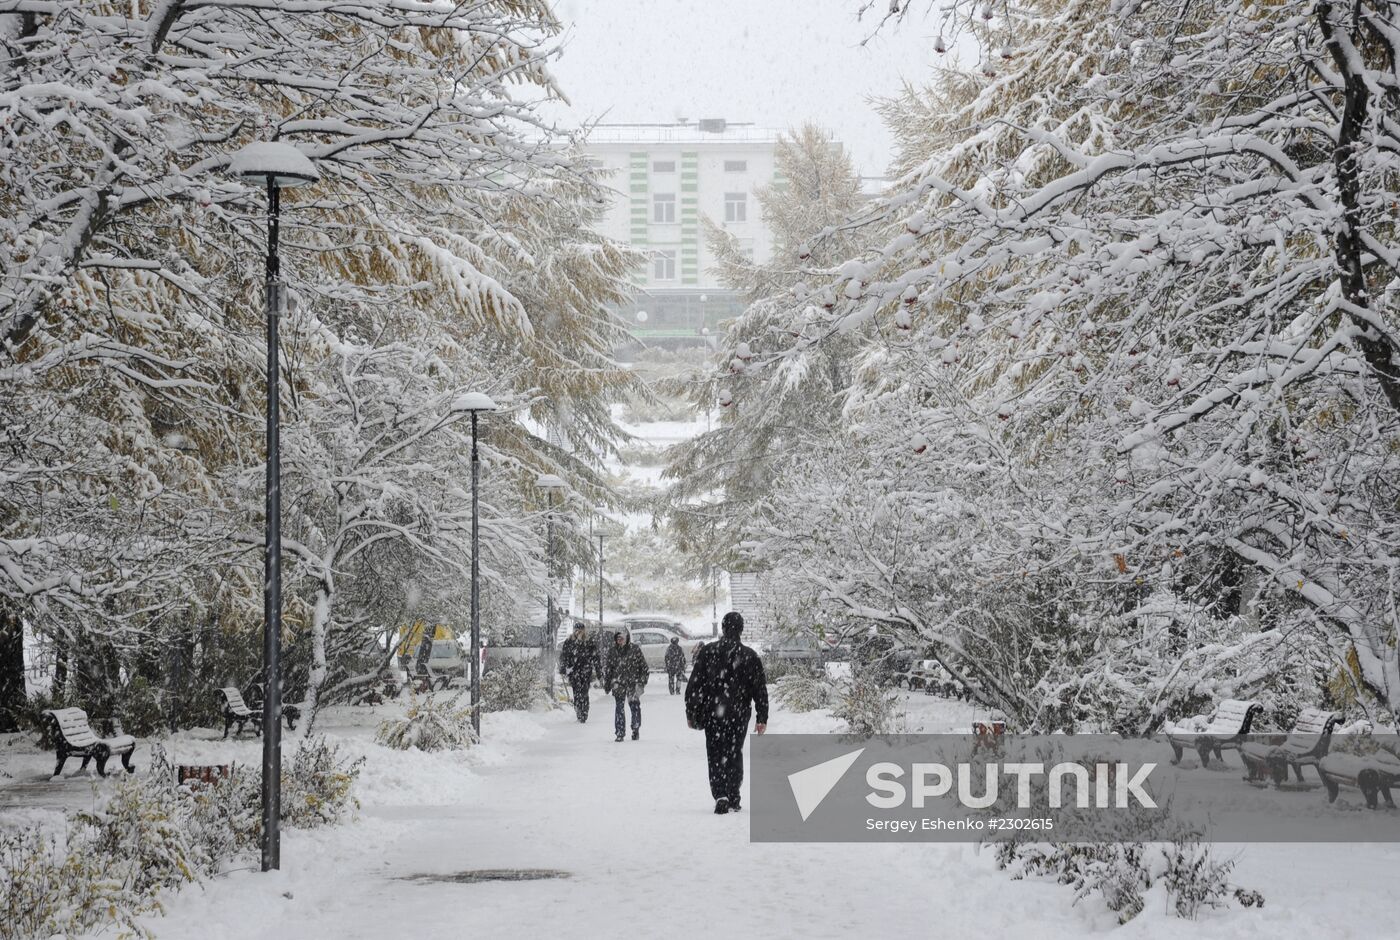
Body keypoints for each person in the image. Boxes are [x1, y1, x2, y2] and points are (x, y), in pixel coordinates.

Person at [685, 611, 768, 815]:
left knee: (715, 753)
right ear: (741, 629)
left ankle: (720, 793)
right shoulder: (749, 656)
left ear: (723, 628)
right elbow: (759, 689)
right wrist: (761, 717)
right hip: (738, 714)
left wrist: (692, 711)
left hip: (713, 712)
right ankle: (733, 794)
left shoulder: (708, 652)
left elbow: (695, 685)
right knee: (734, 752)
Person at [604, 628, 648, 742]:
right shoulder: (612, 651)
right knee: (619, 708)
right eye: (618, 638)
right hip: (618, 683)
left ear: (627, 638)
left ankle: (635, 728)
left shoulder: (635, 650)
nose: (620, 640)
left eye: (622, 638)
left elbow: (644, 667)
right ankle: (619, 732)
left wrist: (641, 681)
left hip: (633, 683)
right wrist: (607, 683)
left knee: (634, 706)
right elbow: (608, 668)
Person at [558, 622, 601, 723]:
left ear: (583, 630)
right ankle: (578, 712)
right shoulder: (569, 642)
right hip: (573, 671)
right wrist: (563, 668)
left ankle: (584, 713)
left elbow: (596, 657)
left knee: (584, 692)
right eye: (576, 630)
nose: (578, 632)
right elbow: (564, 656)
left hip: (586, 671)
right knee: (576, 693)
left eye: (580, 630)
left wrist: (598, 670)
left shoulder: (589, 642)